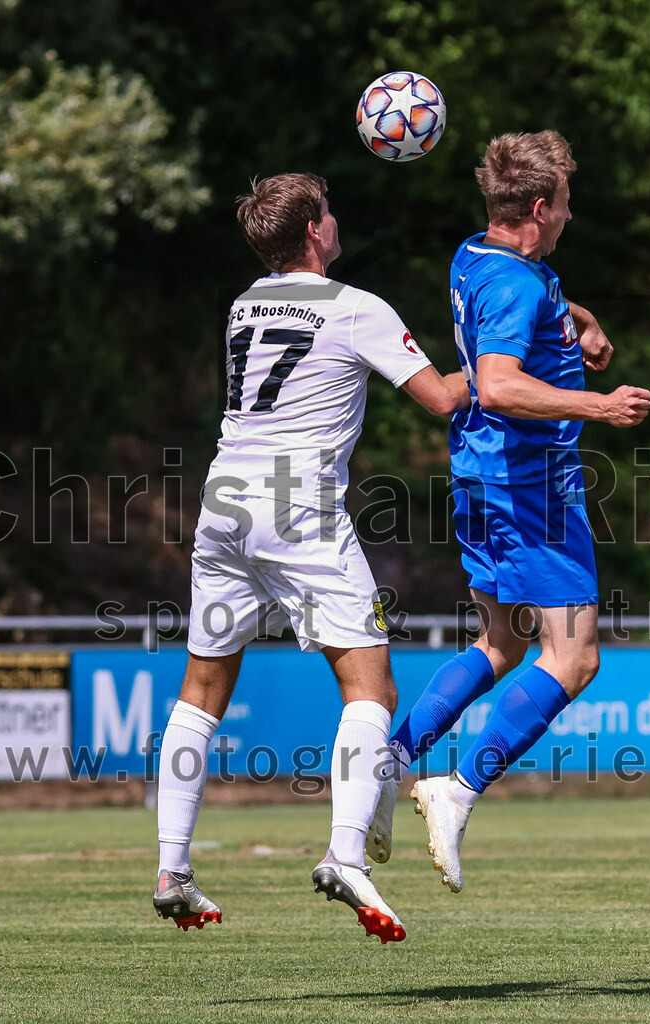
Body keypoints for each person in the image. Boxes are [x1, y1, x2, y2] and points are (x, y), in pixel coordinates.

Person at [151, 172, 469, 942]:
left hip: (226, 495)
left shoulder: (245, 304)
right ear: (314, 233)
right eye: (329, 211)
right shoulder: (357, 307)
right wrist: (500, 359)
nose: (336, 220)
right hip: (295, 503)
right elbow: (444, 398)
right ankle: (344, 854)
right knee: (370, 685)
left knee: (200, 687)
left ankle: (172, 869)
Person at [364, 131, 650, 891]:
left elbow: (530, 295)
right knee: (573, 658)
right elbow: (495, 383)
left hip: (482, 476)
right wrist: (598, 404)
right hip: (529, 488)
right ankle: (455, 791)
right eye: (561, 203)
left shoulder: (478, 255)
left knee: (500, 642)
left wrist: (579, 322)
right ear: (535, 205)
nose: (568, 215)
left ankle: (385, 768)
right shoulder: (519, 285)